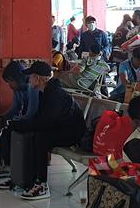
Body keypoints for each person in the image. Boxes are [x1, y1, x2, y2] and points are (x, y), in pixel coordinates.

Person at [8, 61, 85, 200]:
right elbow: (42, 119)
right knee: (32, 135)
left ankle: (42, 185)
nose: (29, 79)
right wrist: (21, 125)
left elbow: (46, 122)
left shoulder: (54, 94)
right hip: (61, 129)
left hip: (72, 133)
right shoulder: (46, 92)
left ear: (38, 78)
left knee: (40, 138)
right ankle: (27, 179)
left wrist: (22, 125)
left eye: (31, 76)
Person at [0, 61, 41, 182]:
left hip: (37, 120)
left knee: (8, 132)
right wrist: (2, 118)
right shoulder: (18, 90)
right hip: (27, 120)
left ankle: (9, 166)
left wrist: (15, 121)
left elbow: (31, 112)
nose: (9, 84)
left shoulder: (31, 88)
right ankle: (8, 164)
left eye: (10, 81)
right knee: (6, 131)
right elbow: (15, 109)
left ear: (17, 78)